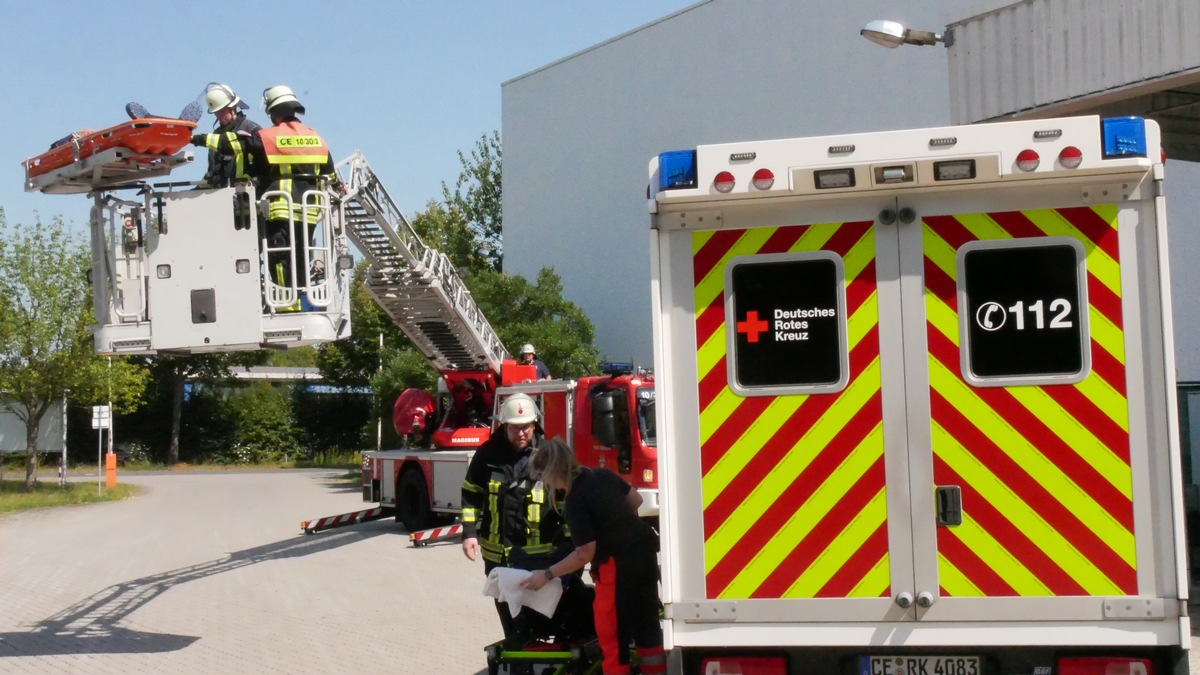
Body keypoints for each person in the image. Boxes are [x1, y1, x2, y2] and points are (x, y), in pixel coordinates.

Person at [520, 438, 665, 675]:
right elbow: (636, 500)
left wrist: (547, 574)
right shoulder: (601, 475)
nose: (542, 481)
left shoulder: (574, 500)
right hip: (644, 554)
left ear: (550, 472)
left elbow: (585, 553)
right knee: (647, 624)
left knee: (612, 634)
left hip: (615, 566)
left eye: (541, 476)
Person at [191, 84, 340, 307]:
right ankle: (301, 299)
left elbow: (233, 143)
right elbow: (331, 174)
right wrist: (340, 188)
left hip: (281, 208)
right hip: (310, 211)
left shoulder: (269, 137)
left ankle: (287, 305)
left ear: (272, 111)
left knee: (279, 257)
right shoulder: (315, 137)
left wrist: (199, 139)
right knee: (301, 255)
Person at [461, 393, 571, 642]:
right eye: (515, 428)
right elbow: (471, 493)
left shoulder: (549, 455)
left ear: (535, 425)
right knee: (511, 621)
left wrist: (569, 547)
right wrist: (469, 534)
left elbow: (567, 503)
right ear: (504, 426)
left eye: (527, 427)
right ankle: (520, 662)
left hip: (541, 558)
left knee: (546, 620)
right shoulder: (487, 455)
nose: (522, 433)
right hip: (498, 558)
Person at [195, 83, 261, 189]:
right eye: (216, 112)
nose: (219, 115)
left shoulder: (251, 130)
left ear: (232, 107)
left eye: (221, 111)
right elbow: (213, 171)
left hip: (244, 196)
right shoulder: (215, 135)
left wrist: (243, 184)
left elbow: (260, 165)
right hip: (219, 196)